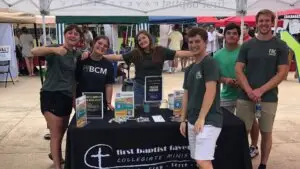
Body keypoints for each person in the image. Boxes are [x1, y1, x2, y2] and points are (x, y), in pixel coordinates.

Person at [235, 9, 289, 169]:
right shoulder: (247, 45)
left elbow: (283, 72)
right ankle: (243, 160)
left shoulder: (280, 45)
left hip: (269, 97)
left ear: (272, 23)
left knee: (266, 132)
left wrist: (260, 90)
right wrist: (249, 90)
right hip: (245, 97)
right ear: (256, 23)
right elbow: (238, 69)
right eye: (261, 21)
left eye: (267, 20)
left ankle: (263, 164)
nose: (264, 23)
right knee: (242, 130)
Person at [90, 30, 192, 107]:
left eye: (143, 38)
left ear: (149, 37)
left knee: (153, 112)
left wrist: (195, 53)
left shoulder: (160, 50)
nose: (142, 41)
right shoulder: (136, 53)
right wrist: (99, 56)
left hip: (154, 88)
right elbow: (118, 57)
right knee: (137, 112)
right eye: (139, 40)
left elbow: (178, 53)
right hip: (138, 87)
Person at [31, 24, 83, 169]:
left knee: (62, 131)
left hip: (66, 97)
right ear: (65, 35)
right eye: (70, 33)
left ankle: (56, 156)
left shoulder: (76, 54)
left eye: (76, 34)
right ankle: (57, 165)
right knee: (56, 133)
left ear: (79, 38)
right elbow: (34, 51)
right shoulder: (55, 48)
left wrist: (73, 99)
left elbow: (73, 79)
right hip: (51, 94)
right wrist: (54, 49)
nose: (73, 35)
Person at [179, 27, 222, 169]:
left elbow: (211, 90)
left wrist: (202, 117)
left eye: (197, 41)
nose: (193, 45)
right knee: (198, 160)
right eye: (190, 42)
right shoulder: (190, 68)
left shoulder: (209, 62)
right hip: (192, 119)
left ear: (205, 42)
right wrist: (183, 119)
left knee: (203, 161)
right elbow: (186, 94)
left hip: (208, 119)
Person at [76, 35, 115, 112]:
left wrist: (109, 103)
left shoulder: (108, 65)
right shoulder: (82, 60)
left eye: (105, 46)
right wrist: (73, 101)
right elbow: (75, 82)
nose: (102, 46)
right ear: (94, 43)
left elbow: (109, 85)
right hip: (82, 103)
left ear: (107, 49)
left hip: (100, 105)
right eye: (99, 43)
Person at [214, 23, 241, 114]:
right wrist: (226, 80)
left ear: (238, 36)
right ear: (224, 36)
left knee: (249, 124)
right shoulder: (217, 55)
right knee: (225, 123)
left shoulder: (245, 52)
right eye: (228, 33)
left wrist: (241, 82)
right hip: (226, 95)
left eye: (234, 33)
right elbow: (214, 76)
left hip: (245, 95)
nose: (231, 35)